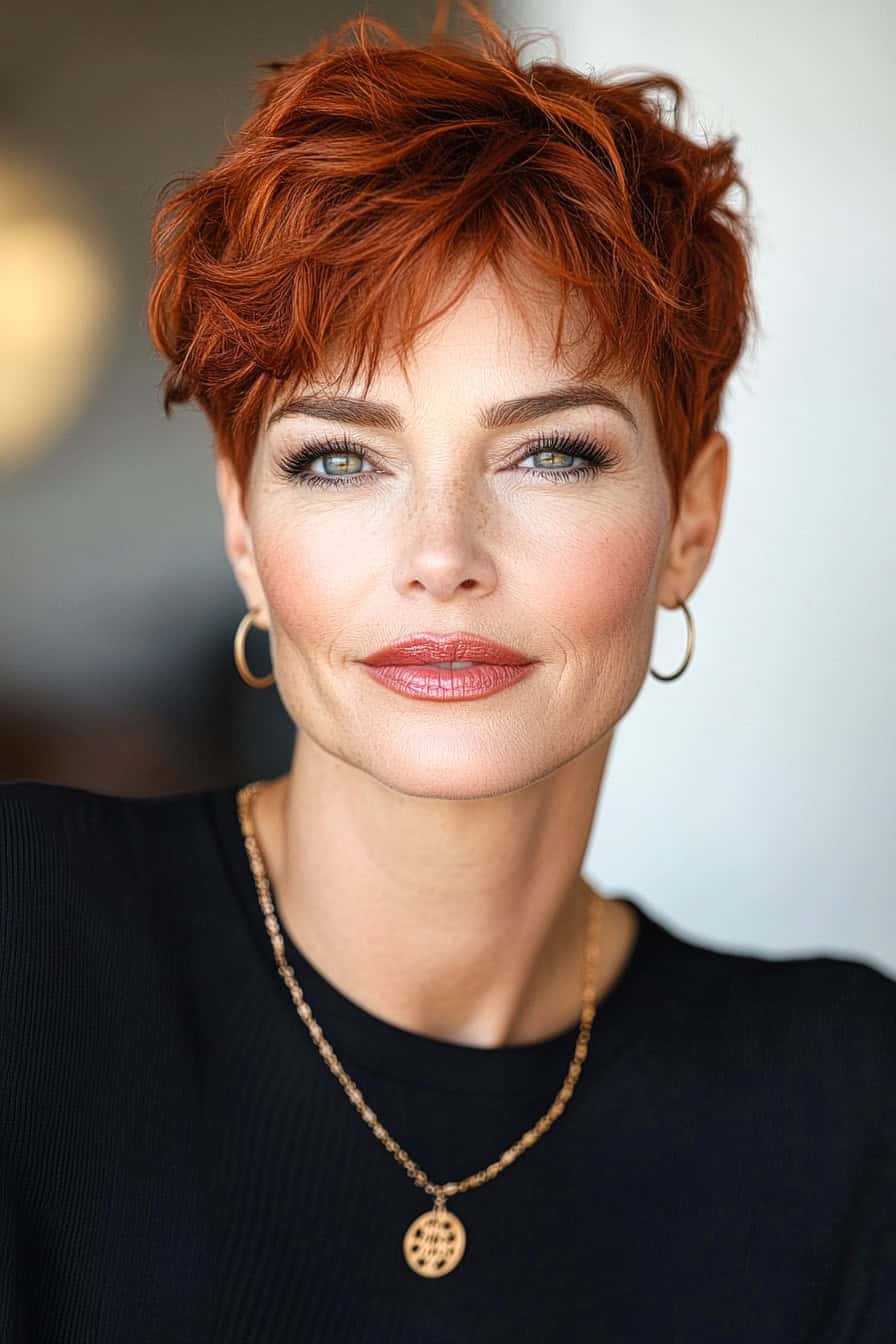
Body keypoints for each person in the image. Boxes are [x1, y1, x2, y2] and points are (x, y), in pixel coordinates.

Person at [2, 1, 894, 1339]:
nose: (441, 555)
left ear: (690, 521)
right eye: (338, 458)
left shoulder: (841, 1100)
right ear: (245, 526)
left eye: (553, 453)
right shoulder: (24, 941)